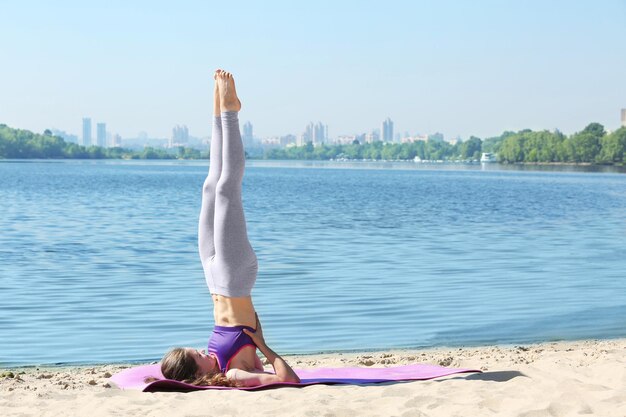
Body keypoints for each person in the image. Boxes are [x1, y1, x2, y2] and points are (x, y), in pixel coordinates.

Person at [159, 70, 300, 387]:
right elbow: (289, 382)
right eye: (195, 355)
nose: (199, 350)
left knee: (210, 187)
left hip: (213, 278)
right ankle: (232, 112)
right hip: (235, 277)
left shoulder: (214, 361)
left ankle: (217, 104)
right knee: (226, 190)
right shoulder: (234, 373)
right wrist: (263, 345)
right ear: (199, 372)